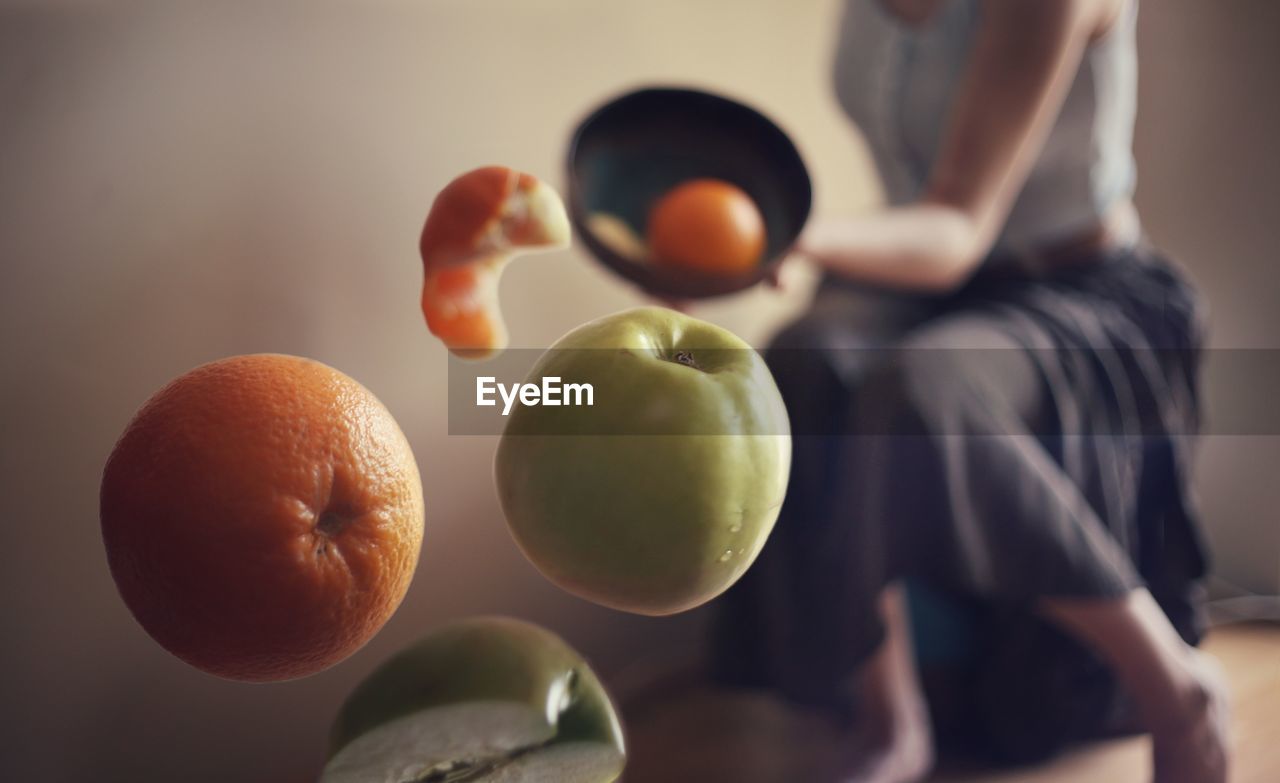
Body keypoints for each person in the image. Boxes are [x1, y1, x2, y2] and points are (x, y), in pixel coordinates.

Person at [709, 1, 1231, 781]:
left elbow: (958, 226)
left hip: (1077, 288)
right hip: (931, 286)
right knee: (802, 361)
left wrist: (784, 233)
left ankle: (1174, 684)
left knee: (918, 388)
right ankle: (892, 715)